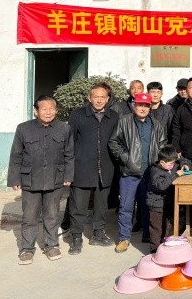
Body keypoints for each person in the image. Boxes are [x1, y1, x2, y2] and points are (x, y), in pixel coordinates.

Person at [7, 95, 74, 265]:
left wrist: (68, 176)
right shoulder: (23, 128)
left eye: (52, 108)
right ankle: (27, 249)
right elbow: (16, 155)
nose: (48, 112)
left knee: (52, 215)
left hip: (55, 179)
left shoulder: (64, 128)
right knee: (30, 217)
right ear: (36, 111)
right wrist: (14, 178)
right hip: (30, 180)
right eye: (44, 109)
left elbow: (69, 154)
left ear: (56, 110)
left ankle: (51, 246)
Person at [109, 92, 167, 253]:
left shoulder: (156, 124)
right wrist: (125, 157)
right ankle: (124, 238)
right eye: (140, 105)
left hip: (150, 173)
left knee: (148, 205)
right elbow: (113, 142)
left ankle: (148, 234)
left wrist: (160, 163)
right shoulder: (124, 121)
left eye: (146, 106)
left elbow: (163, 144)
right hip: (129, 172)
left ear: (150, 107)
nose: (143, 108)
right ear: (134, 105)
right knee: (126, 206)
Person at [67, 83, 119, 256]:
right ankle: (76, 238)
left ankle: (98, 234)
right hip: (82, 166)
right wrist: (70, 166)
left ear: (108, 99)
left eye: (102, 97)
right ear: (89, 98)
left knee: (101, 205)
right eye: (95, 97)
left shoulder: (113, 116)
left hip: (105, 167)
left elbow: (116, 141)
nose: (99, 100)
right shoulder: (78, 115)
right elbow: (70, 141)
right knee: (78, 206)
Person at [147, 145, 189, 253]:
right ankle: (154, 251)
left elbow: (180, 159)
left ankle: (163, 247)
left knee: (166, 227)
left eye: (173, 163)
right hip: (156, 205)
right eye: (171, 164)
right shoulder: (155, 172)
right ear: (162, 162)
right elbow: (162, 186)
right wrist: (175, 175)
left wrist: (184, 164)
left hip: (167, 204)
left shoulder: (170, 165)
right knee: (156, 229)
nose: (173, 165)